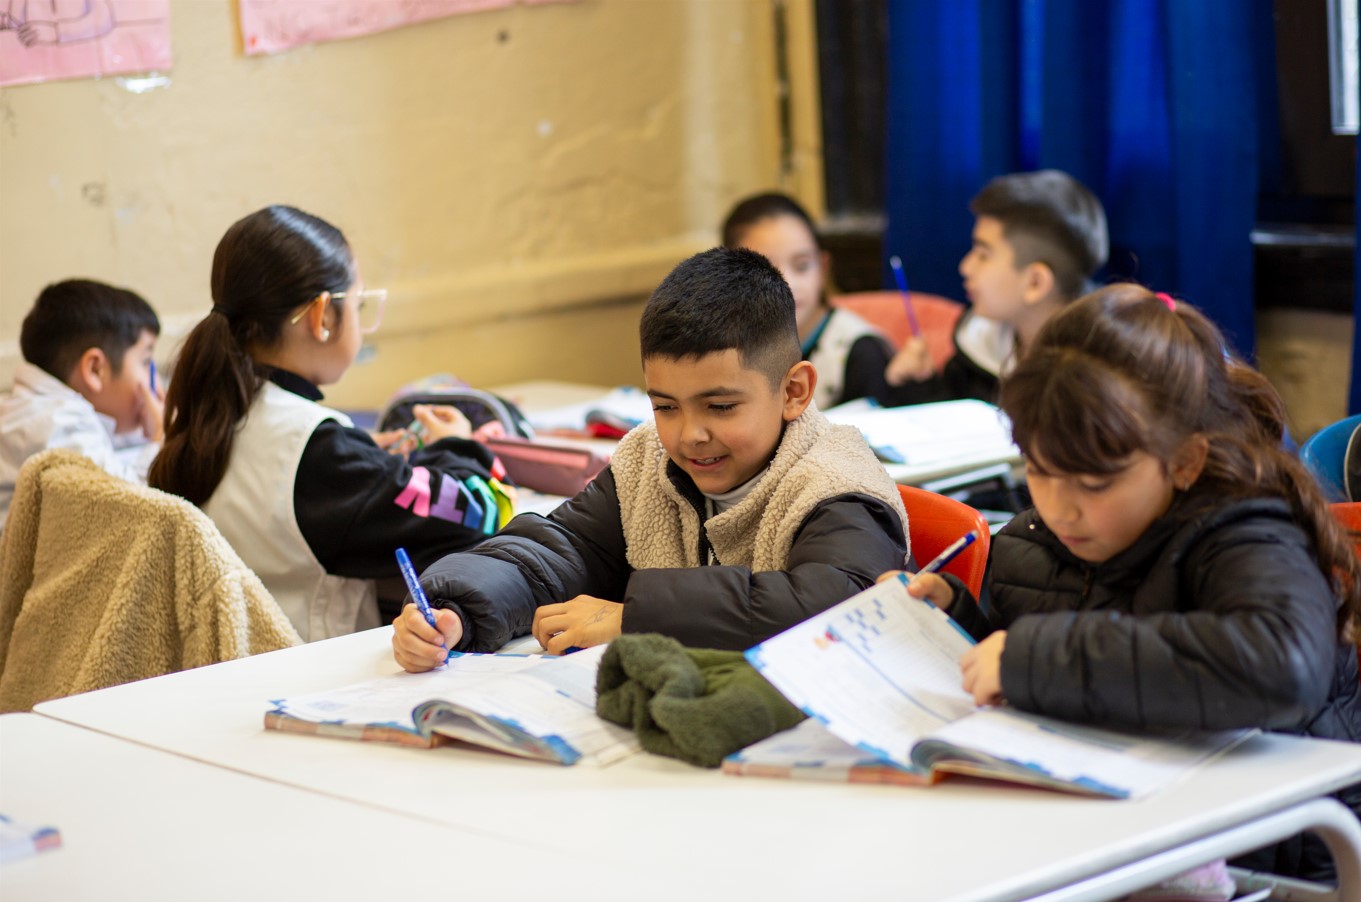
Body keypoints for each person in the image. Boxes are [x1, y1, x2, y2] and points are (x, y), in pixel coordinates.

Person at [897, 285, 1361, 881]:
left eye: (1094, 485)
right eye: (1039, 471)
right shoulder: (1036, 538)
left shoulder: (1246, 526)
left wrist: (1035, 661)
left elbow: (1283, 663)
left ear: (1186, 461)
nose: (1062, 509)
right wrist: (960, 625)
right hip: (1119, 836)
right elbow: (1055, 658)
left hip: (1269, 862)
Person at [392, 247, 910, 669]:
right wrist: (457, 606)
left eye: (721, 406)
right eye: (665, 406)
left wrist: (636, 617)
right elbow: (558, 551)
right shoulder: (649, 461)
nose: (690, 435)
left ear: (793, 391)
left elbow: (838, 604)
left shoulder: (837, 484)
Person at [149, 205, 514, 642]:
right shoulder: (321, 454)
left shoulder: (213, 414)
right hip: (315, 675)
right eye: (358, 304)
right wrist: (456, 445)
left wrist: (361, 456)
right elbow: (485, 514)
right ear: (323, 316)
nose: (361, 321)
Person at [886, 169, 1108, 402]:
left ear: (1035, 283)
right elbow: (954, 420)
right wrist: (918, 385)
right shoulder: (981, 341)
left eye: (983, 254)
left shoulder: (1104, 372)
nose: (965, 267)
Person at [722, 192, 935, 409]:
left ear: (823, 268)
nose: (787, 284)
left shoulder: (860, 352)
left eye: (802, 266)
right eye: (765, 270)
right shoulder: (723, 345)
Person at [0, 278, 162, 531]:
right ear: (95, 369)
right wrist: (160, 439)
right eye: (145, 361)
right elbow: (133, 507)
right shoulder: (56, 421)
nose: (154, 381)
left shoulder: (38, 409)